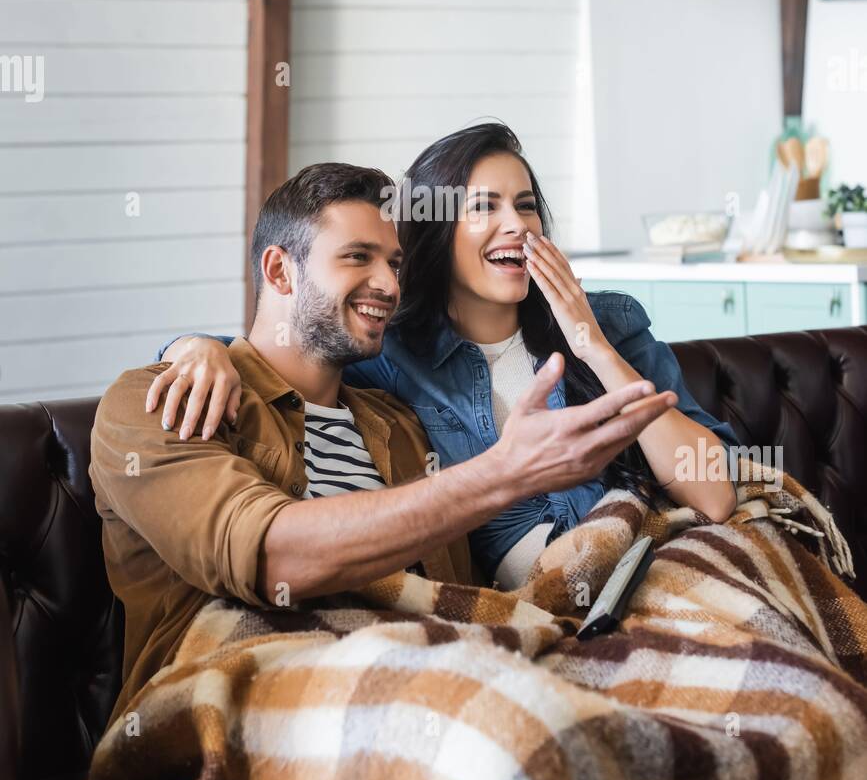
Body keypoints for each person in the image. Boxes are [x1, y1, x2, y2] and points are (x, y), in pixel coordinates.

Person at [89, 161, 677, 742]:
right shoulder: (158, 402)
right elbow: (272, 558)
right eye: (357, 257)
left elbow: (463, 600)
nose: (390, 284)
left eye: (395, 263)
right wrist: (505, 472)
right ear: (280, 270)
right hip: (250, 706)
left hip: (434, 687)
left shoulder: (397, 423)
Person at [151, 125, 740, 590]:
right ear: (436, 234)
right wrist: (193, 346)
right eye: (484, 206)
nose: (517, 225)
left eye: (527, 205)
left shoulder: (610, 323)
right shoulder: (390, 352)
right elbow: (286, 346)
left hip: (659, 565)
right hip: (546, 608)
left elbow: (714, 495)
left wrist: (590, 342)